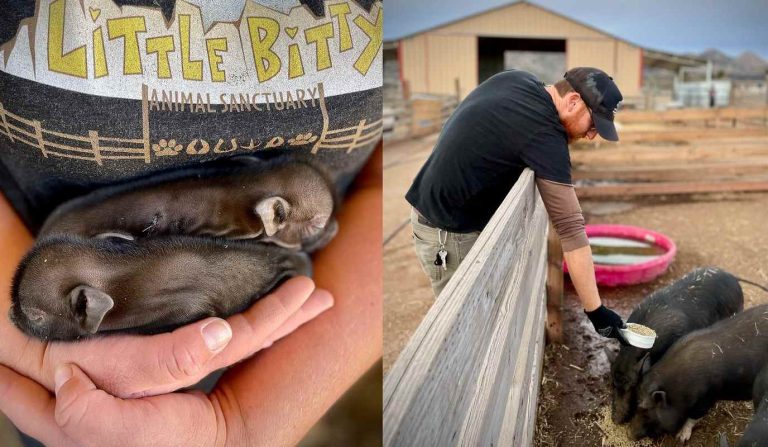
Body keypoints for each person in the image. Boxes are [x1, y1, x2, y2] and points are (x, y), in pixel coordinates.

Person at [0, 0, 383, 444]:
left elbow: (384, 182)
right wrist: (36, 356)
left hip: (289, 349)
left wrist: (242, 423)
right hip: (61, 370)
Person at [406, 67, 628, 344]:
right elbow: (571, 229)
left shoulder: (516, 79)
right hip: (448, 233)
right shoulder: (543, 134)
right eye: (593, 125)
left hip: (448, 213)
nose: (592, 135)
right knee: (464, 332)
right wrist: (596, 312)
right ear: (572, 101)